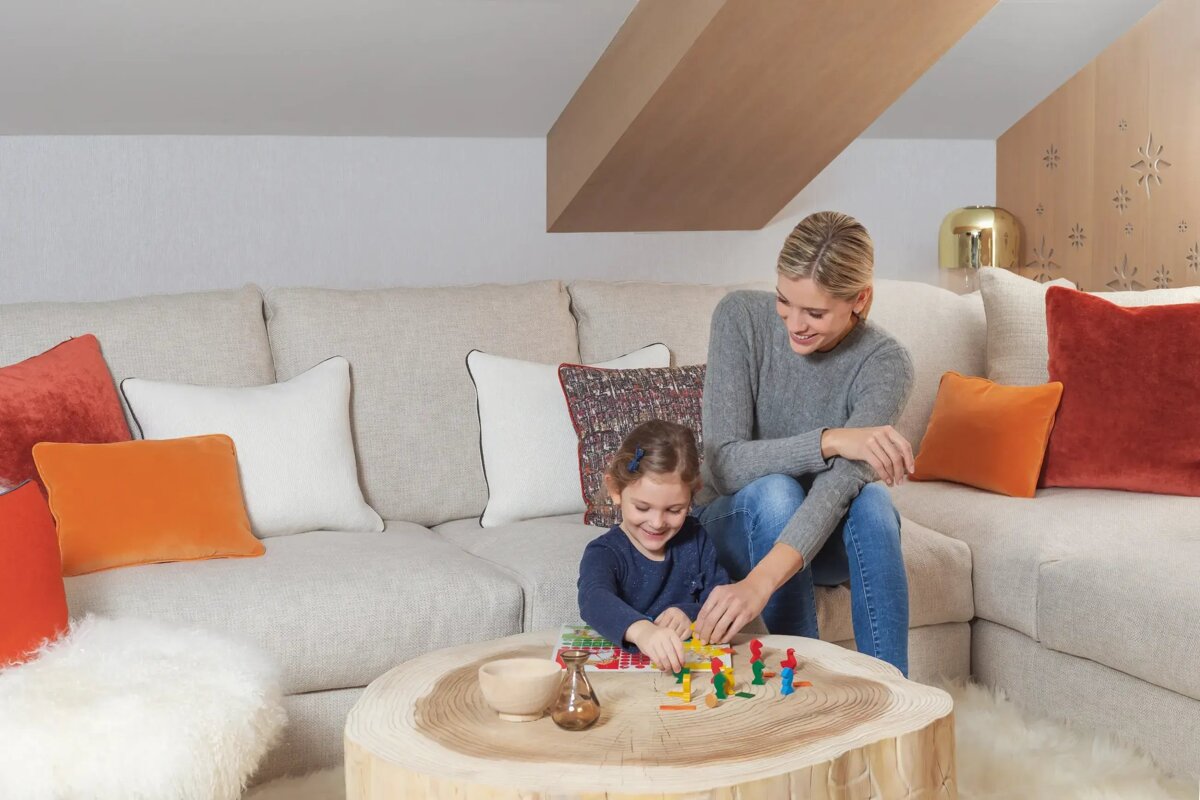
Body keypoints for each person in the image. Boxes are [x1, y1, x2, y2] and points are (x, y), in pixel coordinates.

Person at [694, 210, 915, 675]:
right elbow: (724, 465)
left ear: (860, 299)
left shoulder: (886, 363)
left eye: (814, 312)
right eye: (784, 301)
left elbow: (838, 491)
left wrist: (761, 583)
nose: (794, 323)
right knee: (779, 492)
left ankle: (894, 696)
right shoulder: (740, 318)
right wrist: (831, 441)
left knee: (873, 501)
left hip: (819, 532)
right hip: (734, 520)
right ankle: (804, 692)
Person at [577, 420, 730, 673]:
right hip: (626, 678)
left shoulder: (696, 539)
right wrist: (643, 631)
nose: (657, 523)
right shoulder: (604, 552)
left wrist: (688, 613)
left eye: (674, 510)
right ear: (616, 489)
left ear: (693, 495)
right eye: (642, 508)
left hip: (686, 676)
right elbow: (593, 599)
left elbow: (719, 597)